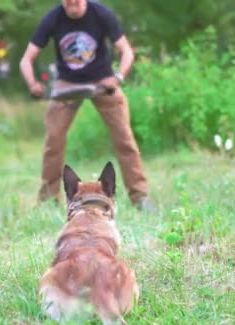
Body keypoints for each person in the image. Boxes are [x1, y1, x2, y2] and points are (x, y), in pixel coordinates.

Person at [19, 0, 154, 211]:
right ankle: (47, 201)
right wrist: (32, 83)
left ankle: (140, 198)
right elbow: (26, 59)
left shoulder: (101, 14)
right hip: (68, 85)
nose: (72, 2)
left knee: (125, 138)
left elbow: (126, 51)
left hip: (102, 82)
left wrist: (117, 77)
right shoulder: (53, 18)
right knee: (53, 140)